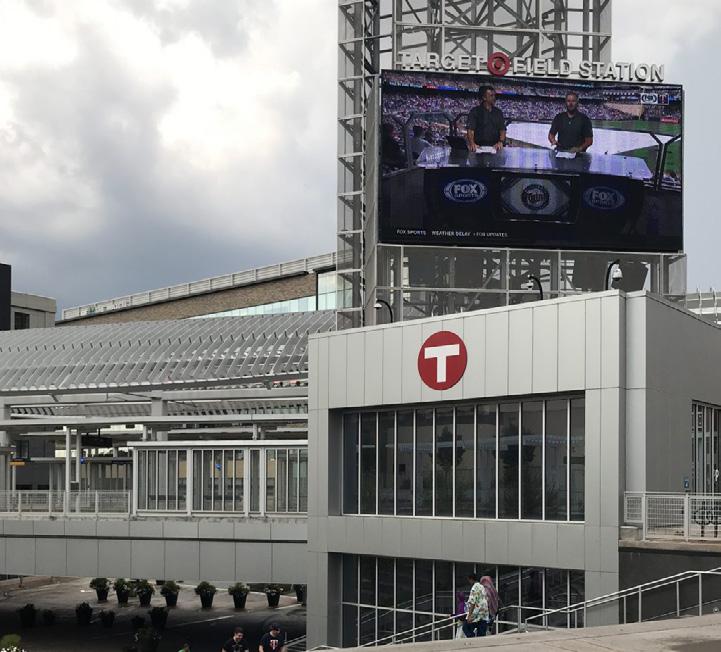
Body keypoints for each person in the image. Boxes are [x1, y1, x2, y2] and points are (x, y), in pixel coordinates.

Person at [466, 85, 506, 153]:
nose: (494, 98)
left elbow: (502, 129)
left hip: (495, 147)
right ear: (484, 98)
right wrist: (472, 143)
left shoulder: (498, 112)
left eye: (494, 95)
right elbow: (470, 130)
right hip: (479, 147)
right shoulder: (475, 111)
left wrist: (501, 142)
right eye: (491, 96)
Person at [462, 573, 489, 638]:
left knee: (465, 627)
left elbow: (472, 602)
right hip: (484, 612)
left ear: (471, 579)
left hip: (476, 612)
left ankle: (472, 638)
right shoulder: (482, 586)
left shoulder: (474, 588)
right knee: (481, 634)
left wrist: (469, 615)